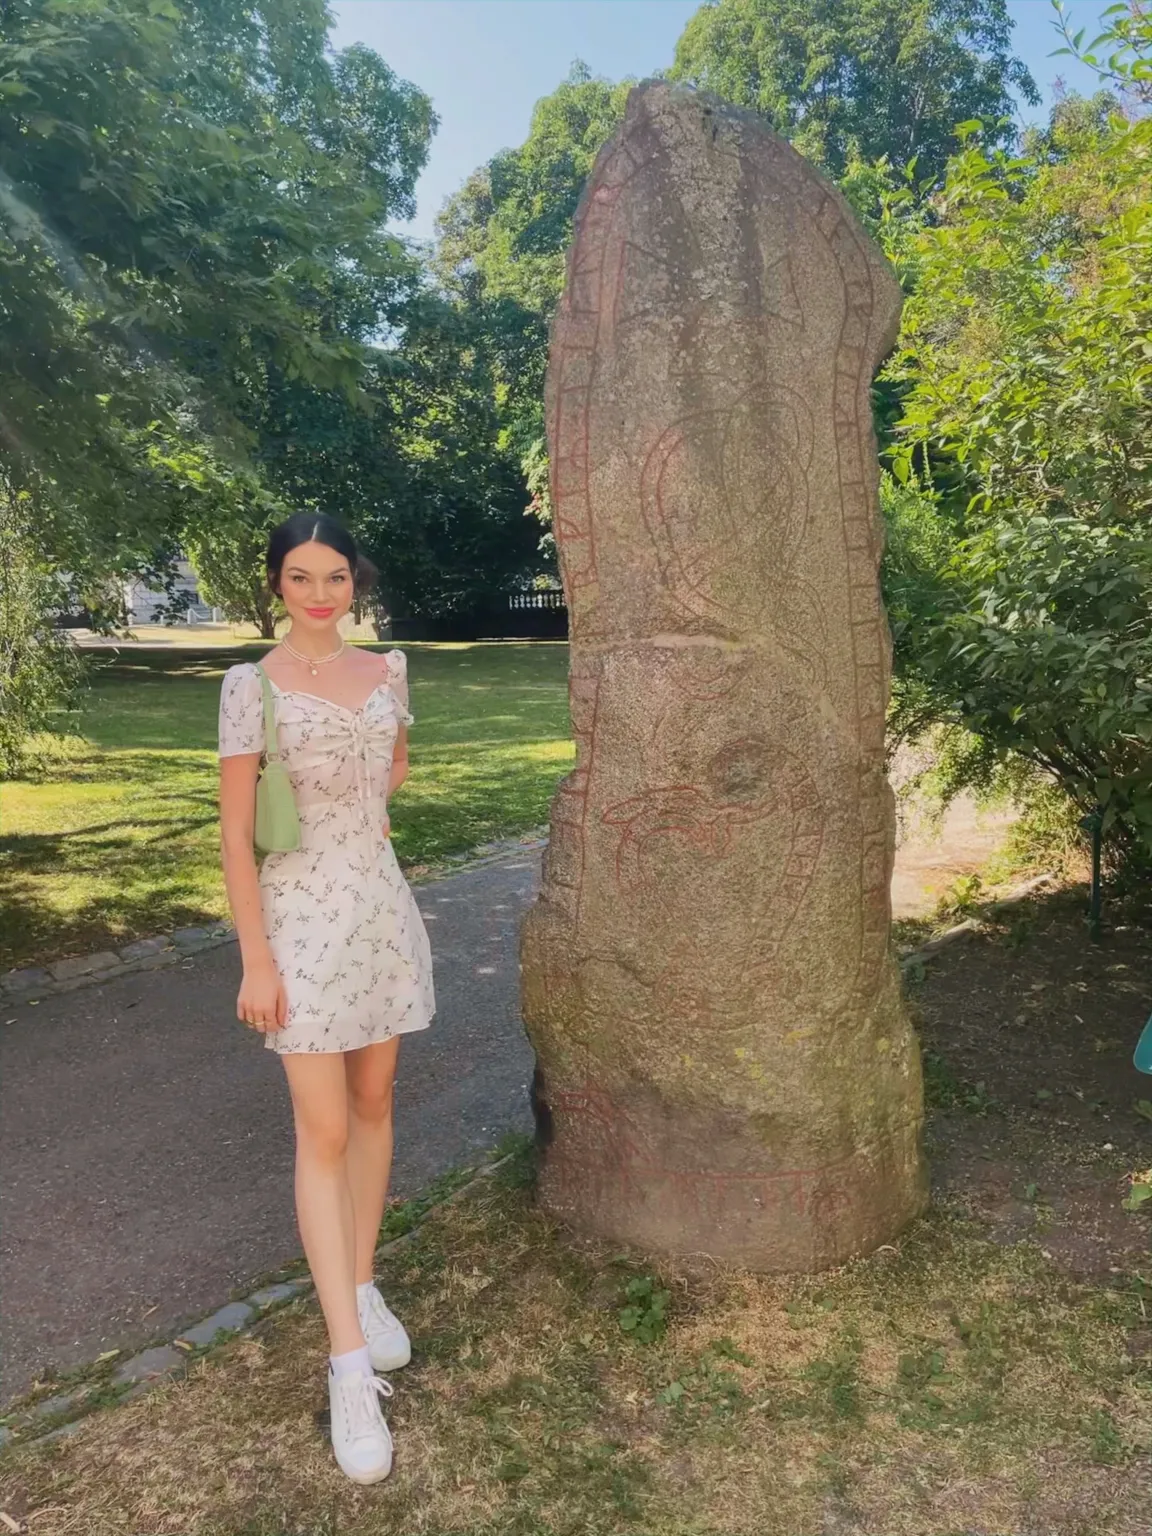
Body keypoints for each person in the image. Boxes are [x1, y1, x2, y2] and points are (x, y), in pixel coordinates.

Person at [217, 513, 435, 1484]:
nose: (318, 593)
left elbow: (394, 767)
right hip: (299, 923)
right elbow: (235, 836)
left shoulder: (388, 672)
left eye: (335, 576)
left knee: (376, 1103)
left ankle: (362, 1280)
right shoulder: (249, 687)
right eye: (300, 576)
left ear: (355, 583)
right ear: (277, 584)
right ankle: (348, 1365)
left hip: (381, 913)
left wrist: (368, 811)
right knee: (325, 1129)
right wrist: (255, 961)